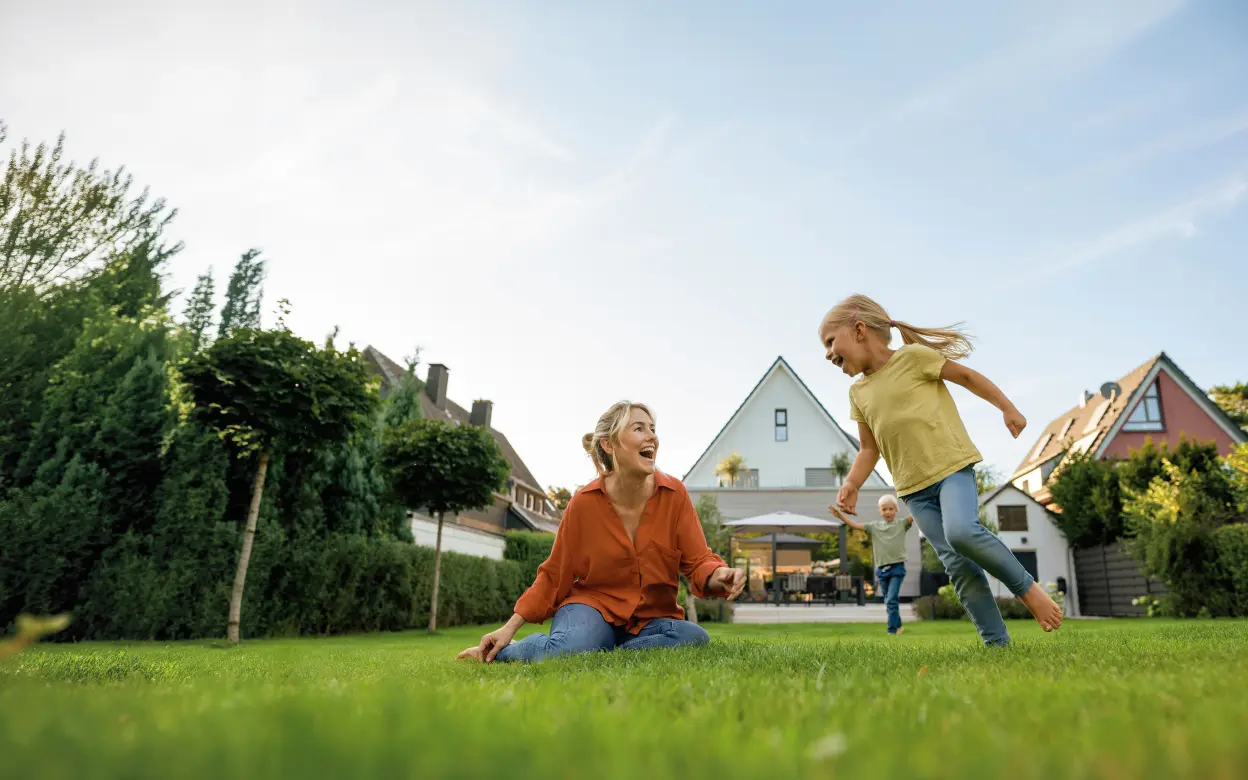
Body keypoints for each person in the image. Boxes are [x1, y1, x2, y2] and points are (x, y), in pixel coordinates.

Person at [817, 294, 1062, 647]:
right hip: (913, 490)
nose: (826, 354)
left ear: (858, 330)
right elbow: (869, 448)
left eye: (829, 341)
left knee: (962, 532)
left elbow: (965, 376)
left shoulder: (914, 358)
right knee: (958, 565)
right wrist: (853, 483)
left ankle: (1027, 589)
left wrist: (1006, 407)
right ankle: (998, 646)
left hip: (951, 468)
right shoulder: (858, 393)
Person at [457, 401, 746, 663]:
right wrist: (508, 629)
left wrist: (717, 575)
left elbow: (698, 561)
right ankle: (516, 651)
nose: (652, 437)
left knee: (695, 638)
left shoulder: (674, 495)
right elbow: (555, 575)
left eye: (653, 429)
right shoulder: (584, 503)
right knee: (570, 648)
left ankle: (597, 651)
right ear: (609, 444)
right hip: (591, 608)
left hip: (650, 620)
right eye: (639, 428)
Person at [830, 496, 912, 635]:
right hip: (881, 570)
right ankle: (898, 626)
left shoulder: (902, 524)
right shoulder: (874, 527)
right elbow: (855, 525)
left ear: (896, 510)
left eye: (891, 509)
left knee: (891, 599)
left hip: (897, 568)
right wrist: (840, 516)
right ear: (880, 511)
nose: (887, 512)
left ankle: (892, 631)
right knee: (888, 601)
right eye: (884, 509)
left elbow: (915, 514)